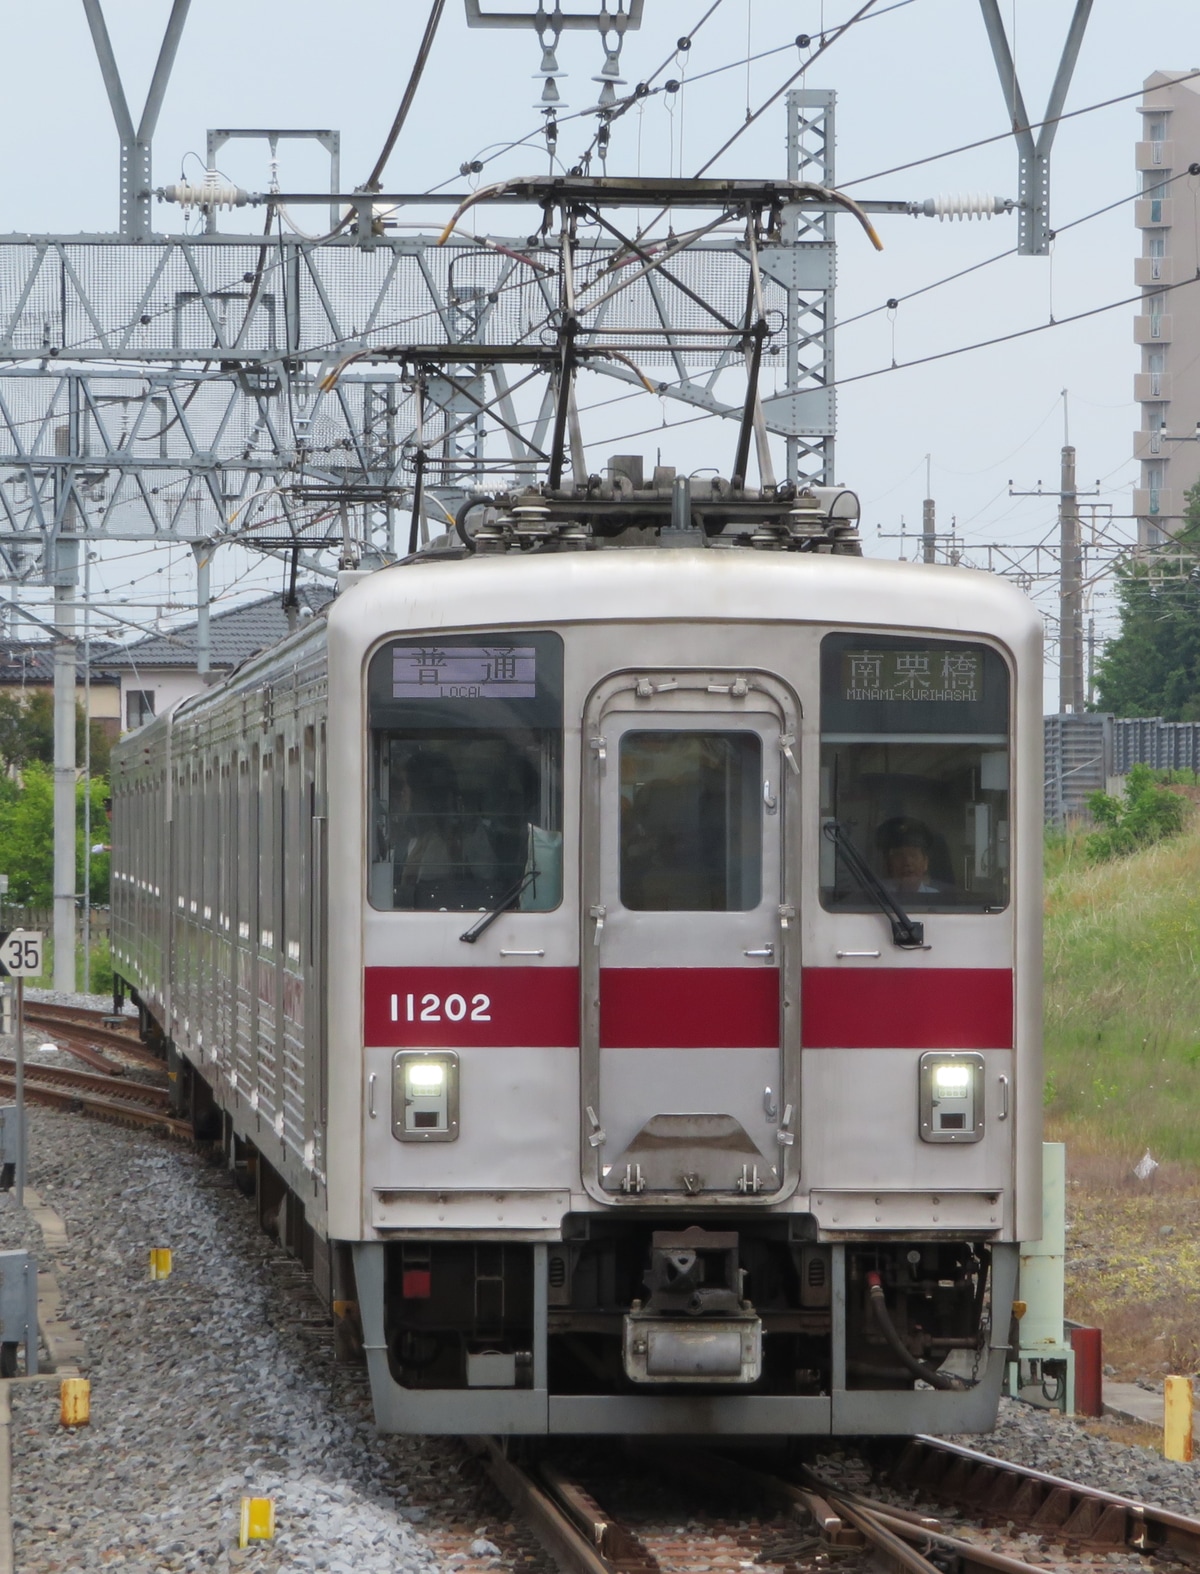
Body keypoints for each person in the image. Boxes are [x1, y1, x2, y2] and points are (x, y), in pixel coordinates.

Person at [876, 816, 952, 898]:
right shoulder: (876, 897)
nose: (907, 862)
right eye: (899, 855)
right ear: (888, 863)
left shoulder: (938, 899)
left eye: (913, 855)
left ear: (925, 863)